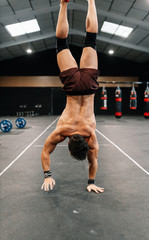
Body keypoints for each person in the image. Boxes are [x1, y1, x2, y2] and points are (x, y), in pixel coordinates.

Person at [41, 0, 104, 194]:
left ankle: (91, 0)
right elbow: (45, 152)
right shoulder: (62, 132)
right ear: (68, 145)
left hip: (89, 87)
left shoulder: (91, 136)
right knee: (61, 44)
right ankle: (63, 4)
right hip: (71, 86)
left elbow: (93, 160)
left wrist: (91, 181)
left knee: (91, 39)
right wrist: (48, 175)